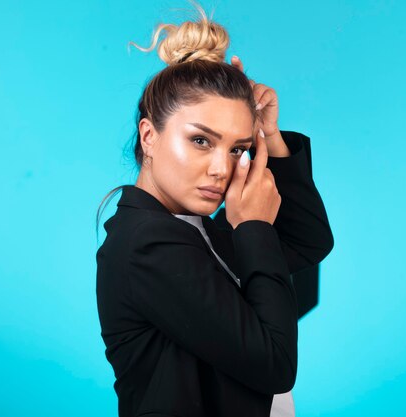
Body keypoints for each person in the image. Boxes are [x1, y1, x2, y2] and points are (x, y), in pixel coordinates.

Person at [95, 3, 334, 416]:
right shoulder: (147, 243)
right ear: (149, 136)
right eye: (201, 141)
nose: (223, 169)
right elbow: (275, 364)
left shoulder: (200, 231)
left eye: (238, 148)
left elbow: (308, 240)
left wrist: (271, 139)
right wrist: (254, 225)